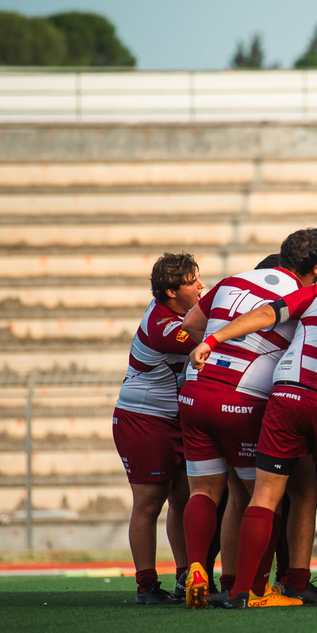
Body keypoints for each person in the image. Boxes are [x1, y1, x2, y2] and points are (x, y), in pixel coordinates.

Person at [177, 228, 317, 608]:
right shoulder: (309, 295)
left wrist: (214, 341)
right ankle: (255, 590)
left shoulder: (233, 280)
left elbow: (190, 325)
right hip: (243, 398)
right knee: (263, 499)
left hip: (195, 390)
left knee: (205, 492)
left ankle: (198, 569)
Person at [113, 253, 202, 604]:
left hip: (174, 418)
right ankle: (146, 585)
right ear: (169, 292)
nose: (200, 286)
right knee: (149, 503)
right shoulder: (163, 325)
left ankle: (184, 576)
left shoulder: (178, 312)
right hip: (144, 419)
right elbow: (209, 339)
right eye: (192, 281)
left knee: (183, 498)